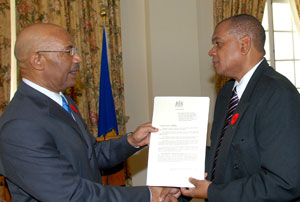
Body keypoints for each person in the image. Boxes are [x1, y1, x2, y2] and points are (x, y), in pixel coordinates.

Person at [0, 23, 176, 202]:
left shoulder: (62, 101)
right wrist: (149, 195)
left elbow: (91, 154)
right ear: (38, 60)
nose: (77, 58)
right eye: (68, 51)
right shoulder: (20, 125)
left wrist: (132, 141)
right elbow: (71, 195)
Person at [160, 14, 300, 201]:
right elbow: (222, 157)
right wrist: (182, 186)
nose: (211, 51)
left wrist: (212, 193)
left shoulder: (278, 94)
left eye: (218, 43)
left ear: (244, 45)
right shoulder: (227, 93)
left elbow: (283, 183)